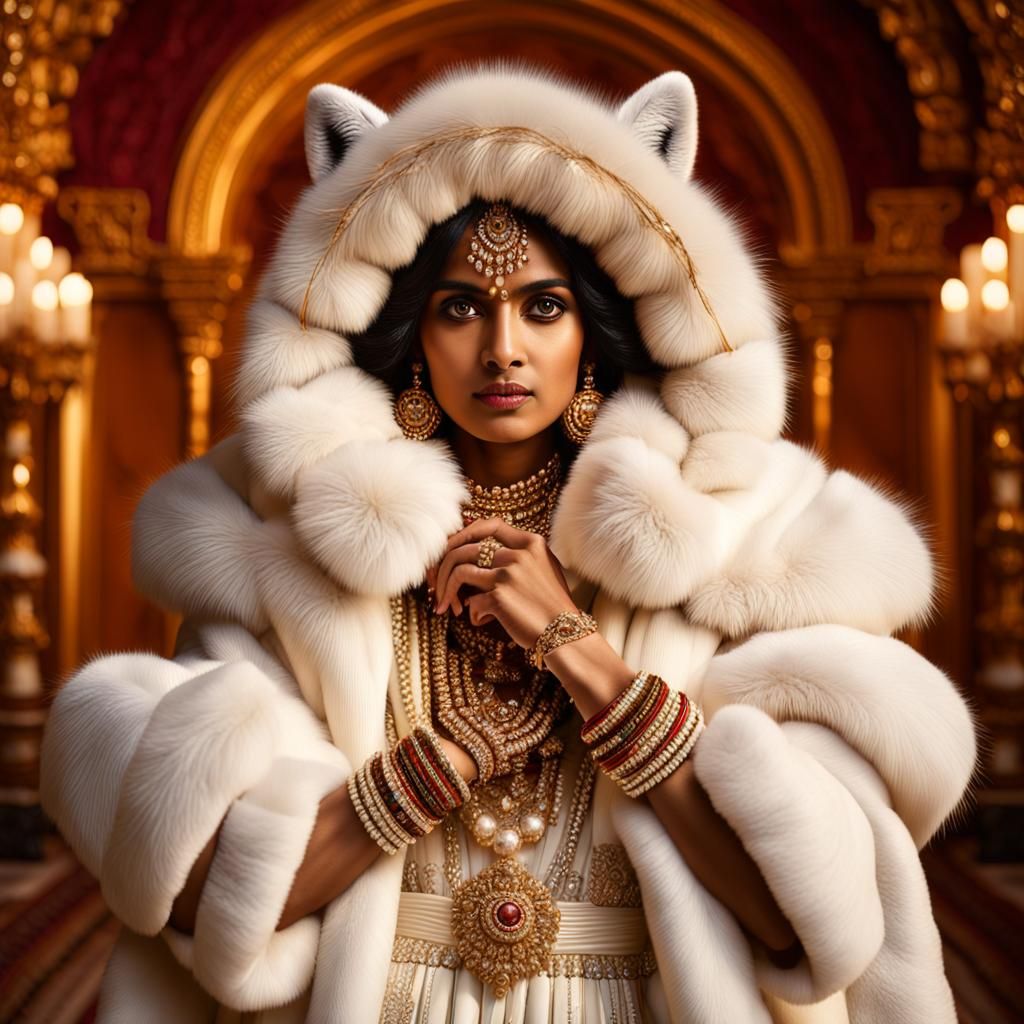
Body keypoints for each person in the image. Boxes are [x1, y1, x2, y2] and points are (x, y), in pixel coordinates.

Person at [40, 65, 976, 1024]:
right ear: (408, 336)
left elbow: (804, 928)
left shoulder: (747, 537)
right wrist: (431, 768)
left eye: (542, 306)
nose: (502, 349)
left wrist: (582, 657)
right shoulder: (285, 547)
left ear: (598, 329)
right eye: (458, 309)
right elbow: (204, 902)